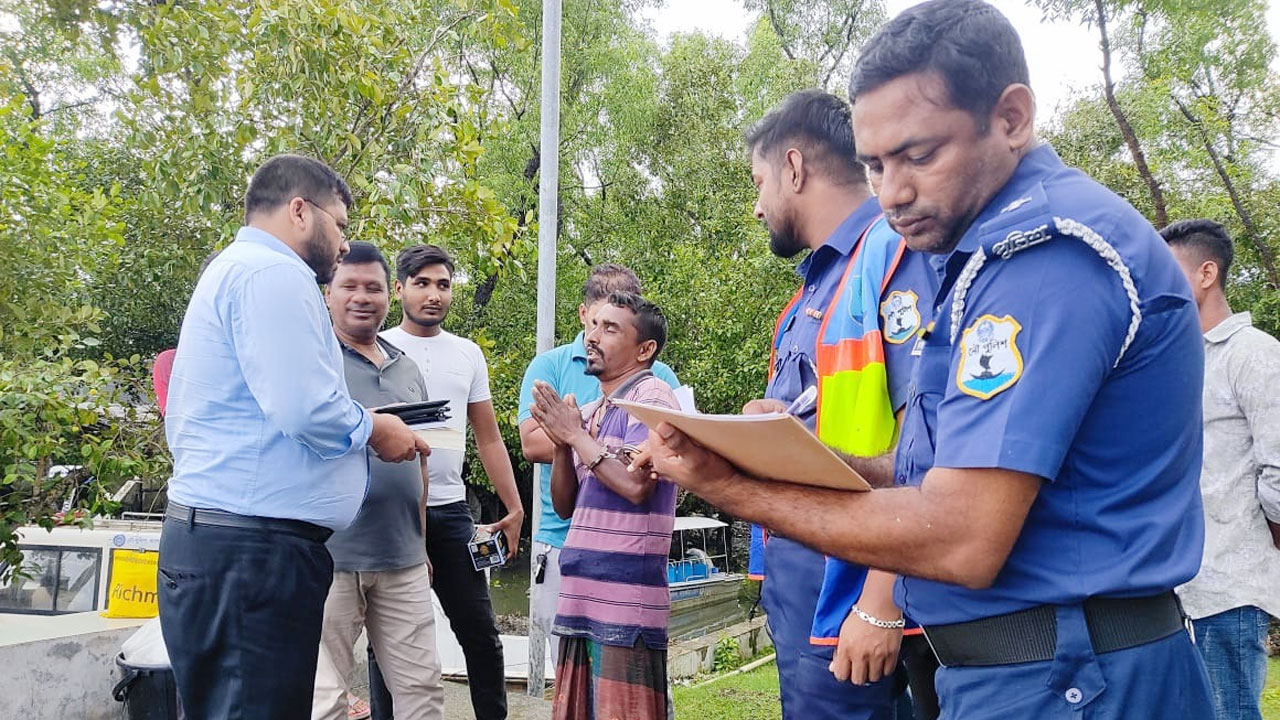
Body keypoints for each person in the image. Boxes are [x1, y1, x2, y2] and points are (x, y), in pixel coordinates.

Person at [639, 2, 1215, 717]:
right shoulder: (974, 257)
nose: (892, 192)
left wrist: (728, 488)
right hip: (1033, 670)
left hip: (1070, 678)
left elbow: (963, 534)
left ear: (1011, 118)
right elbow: (933, 475)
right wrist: (781, 456)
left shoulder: (1043, 256)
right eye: (875, 164)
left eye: (918, 155)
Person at [160, 154, 427, 720]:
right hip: (250, 553)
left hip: (228, 544)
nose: (342, 245)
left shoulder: (236, 269)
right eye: (342, 225)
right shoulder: (274, 274)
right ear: (301, 211)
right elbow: (306, 409)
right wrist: (375, 428)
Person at [742, 89, 939, 720]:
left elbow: (927, 447)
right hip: (808, 573)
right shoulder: (815, 287)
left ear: (794, 169)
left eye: (760, 182)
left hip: (854, 583)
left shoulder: (892, 255)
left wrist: (882, 600)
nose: (757, 206)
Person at [375, 243, 524, 720]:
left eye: (442, 284)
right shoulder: (377, 350)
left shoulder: (467, 353)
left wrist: (514, 506)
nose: (433, 294)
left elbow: (489, 439)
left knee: (481, 633)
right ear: (399, 289)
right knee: (388, 643)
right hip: (392, 516)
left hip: (451, 511)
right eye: (422, 283)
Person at [517, 264, 679, 665]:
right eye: (594, 325)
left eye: (610, 328)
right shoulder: (589, 408)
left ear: (644, 349)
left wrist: (574, 436)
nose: (592, 337)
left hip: (624, 593)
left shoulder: (653, 392)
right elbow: (564, 507)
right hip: (577, 570)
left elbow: (638, 485)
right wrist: (562, 440)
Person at [310, 242, 445, 720]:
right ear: (328, 293)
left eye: (373, 287)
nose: (361, 297)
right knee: (324, 699)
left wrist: (423, 544)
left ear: (390, 293)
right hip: (329, 559)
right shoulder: (313, 362)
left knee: (424, 690)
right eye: (349, 286)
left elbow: (419, 460)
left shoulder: (406, 367)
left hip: (403, 557)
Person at [1164, 219, 1280, 720]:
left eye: (1169, 270)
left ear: (1207, 272)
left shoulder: (1254, 354)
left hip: (1230, 585)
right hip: (1175, 587)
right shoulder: (1177, 359)